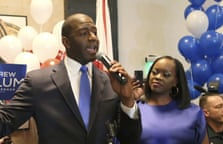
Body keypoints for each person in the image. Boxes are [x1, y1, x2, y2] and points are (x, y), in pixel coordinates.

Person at [0, 13, 141, 144]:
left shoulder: (111, 82)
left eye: (94, 32)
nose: (93, 37)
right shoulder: (38, 82)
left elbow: (129, 139)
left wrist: (128, 101)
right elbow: (5, 122)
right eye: (84, 33)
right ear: (66, 42)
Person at [132, 55, 209, 144]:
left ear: (176, 81)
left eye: (166, 75)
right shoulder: (135, 110)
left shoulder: (193, 112)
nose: (158, 77)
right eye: (154, 72)